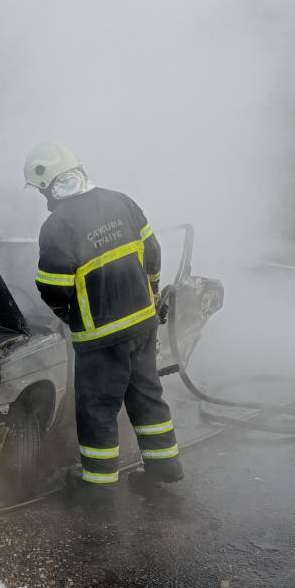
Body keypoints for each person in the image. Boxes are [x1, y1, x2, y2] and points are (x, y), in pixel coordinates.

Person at [25, 141, 182, 496]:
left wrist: (70, 317)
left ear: (48, 186)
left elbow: (52, 286)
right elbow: (153, 252)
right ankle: (165, 466)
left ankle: (97, 487)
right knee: (146, 394)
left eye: (40, 190)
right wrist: (152, 295)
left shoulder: (57, 225)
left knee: (98, 406)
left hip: (101, 337)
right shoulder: (120, 200)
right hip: (143, 322)